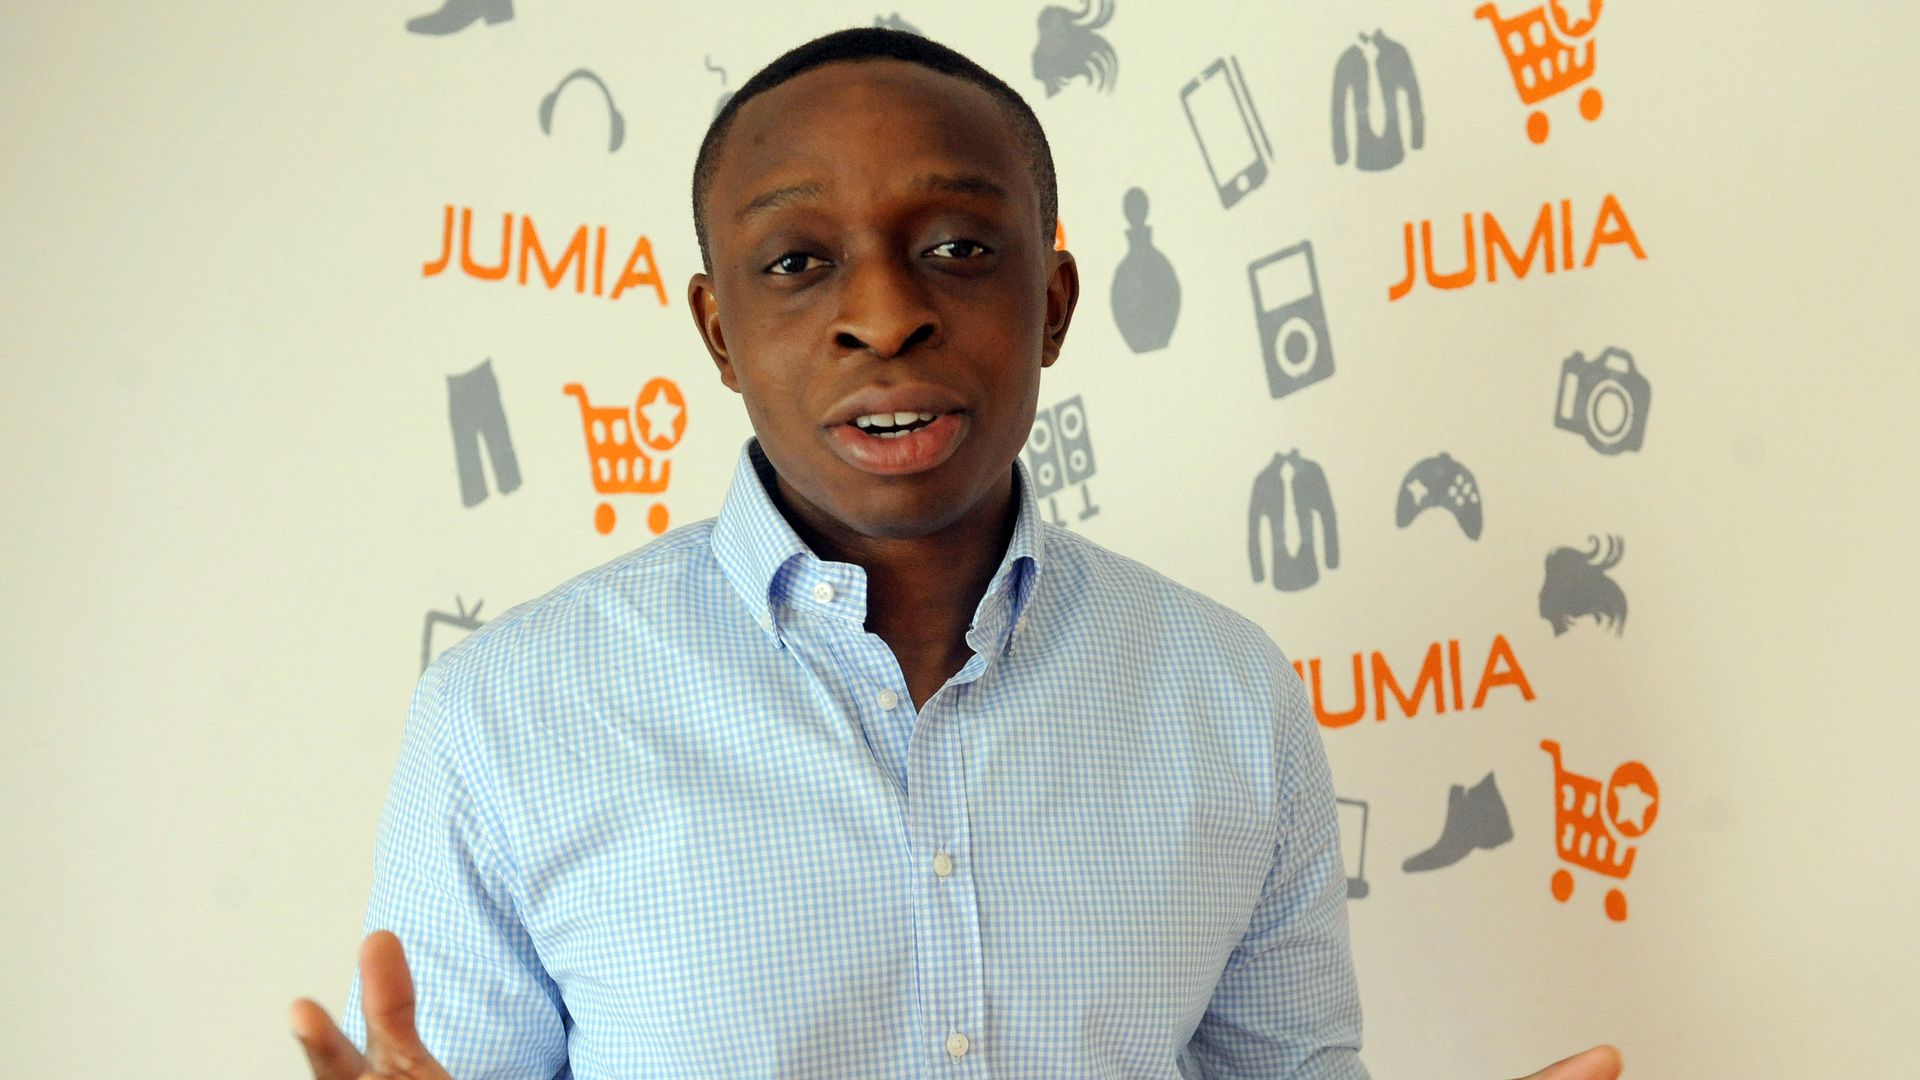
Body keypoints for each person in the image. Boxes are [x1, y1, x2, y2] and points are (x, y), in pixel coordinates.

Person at [289, 27, 1622, 1080]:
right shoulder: (510, 715)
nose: (884, 315)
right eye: (801, 261)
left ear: (1049, 302)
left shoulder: (1231, 698)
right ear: (715, 329)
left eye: (958, 248)